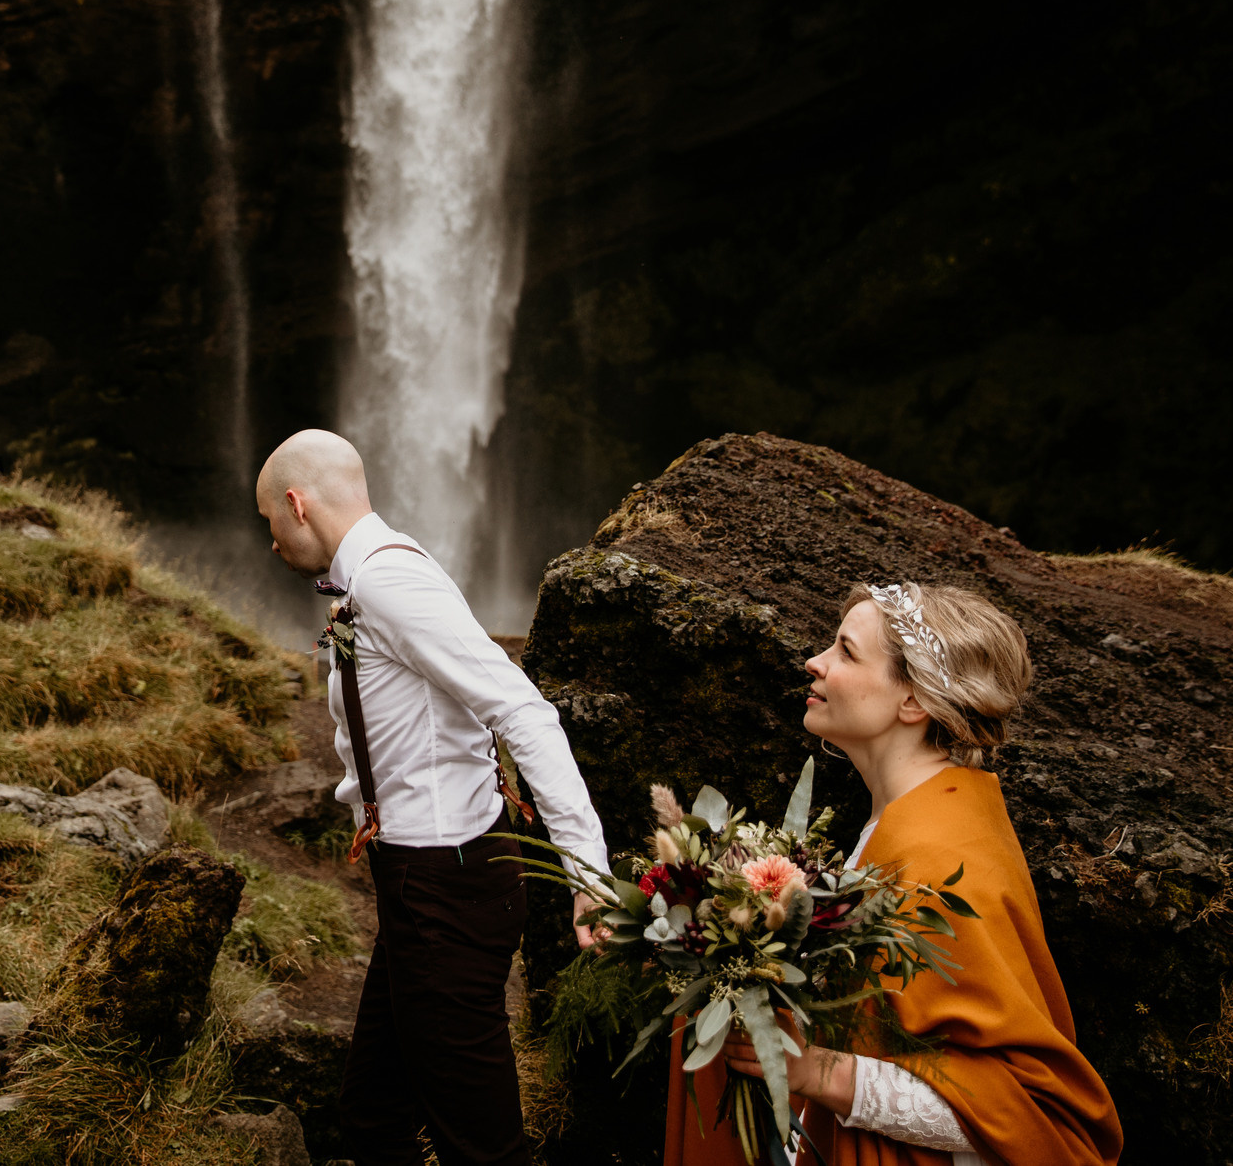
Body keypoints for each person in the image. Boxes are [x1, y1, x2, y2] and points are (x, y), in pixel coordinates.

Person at [672, 582, 1122, 1166]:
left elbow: (1027, 1114)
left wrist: (821, 1073)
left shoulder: (935, 851)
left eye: (846, 651)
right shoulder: (925, 808)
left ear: (913, 702)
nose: (815, 661)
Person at [256, 428, 610, 1166]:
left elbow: (524, 710)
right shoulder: (377, 573)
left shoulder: (389, 582)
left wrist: (588, 873)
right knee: (373, 1110)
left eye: (269, 523)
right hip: (423, 882)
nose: (271, 542)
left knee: (478, 1144)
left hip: (446, 885)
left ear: (296, 503)